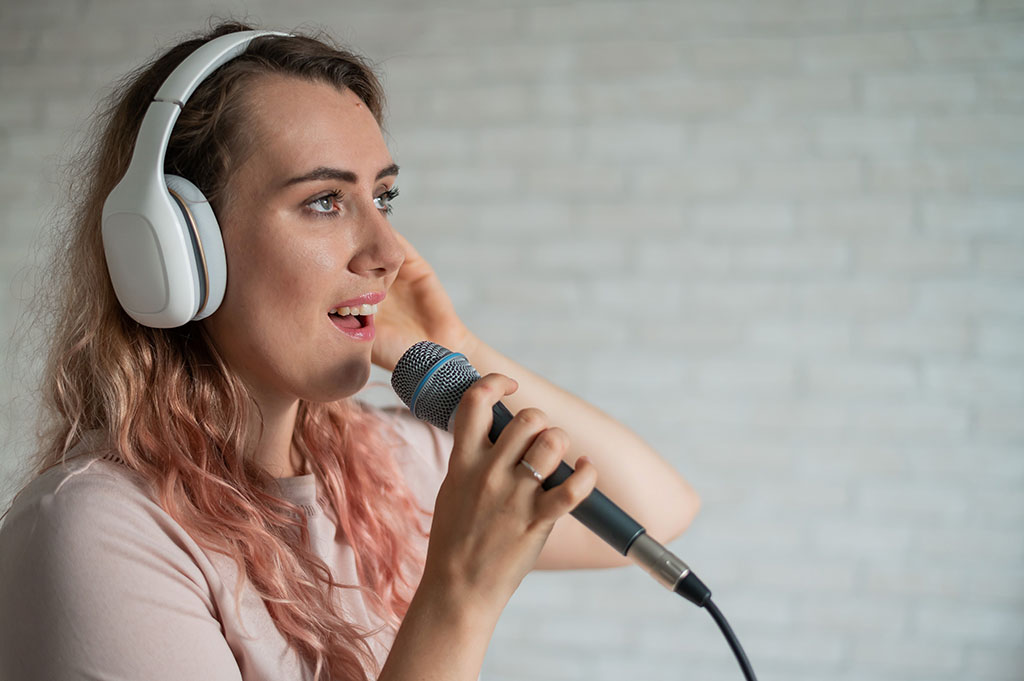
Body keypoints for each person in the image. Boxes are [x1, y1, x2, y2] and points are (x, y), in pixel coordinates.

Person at [0, 21, 700, 681]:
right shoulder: (96, 533)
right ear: (180, 249)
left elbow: (655, 506)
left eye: (384, 198)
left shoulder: (377, 471)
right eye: (326, 202)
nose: (389, 253)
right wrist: (459, 596)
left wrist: (457, 348)